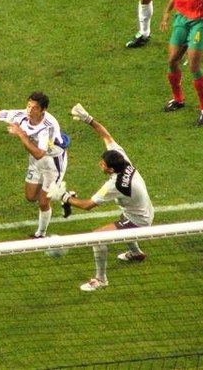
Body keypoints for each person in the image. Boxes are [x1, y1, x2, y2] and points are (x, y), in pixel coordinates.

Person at [48, 103, 154, 292]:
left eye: (102, 164)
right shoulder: (122, 158)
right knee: (123, 221)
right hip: (141, 210)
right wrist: (88, 118)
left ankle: (100, 279)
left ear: (111, 169)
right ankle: (136, 254)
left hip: (140, 220)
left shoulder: (116, 184)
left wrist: (63, 197)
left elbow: (88, 204)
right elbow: (106, 135)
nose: (100, 164)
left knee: (98, 237)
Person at [0, 91, 68, 238]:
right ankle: (62, 196)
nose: (29, 110)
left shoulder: (48, 127)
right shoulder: (22, 115)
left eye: (34, 108)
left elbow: (39, 153)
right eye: (28, 106)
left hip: (52, 164)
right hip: (35, 161)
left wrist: (21, 134)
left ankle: (41, 234)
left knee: (44, 203)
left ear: (43, 110)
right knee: (30, 196)